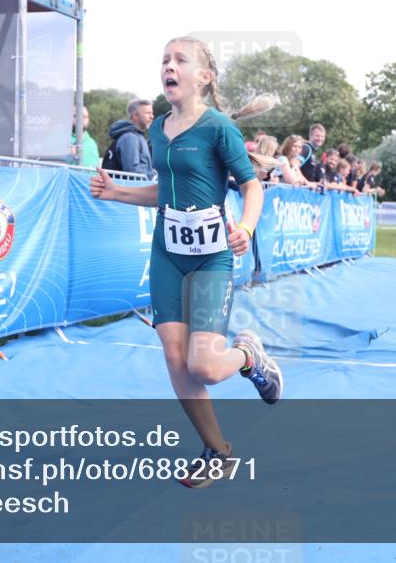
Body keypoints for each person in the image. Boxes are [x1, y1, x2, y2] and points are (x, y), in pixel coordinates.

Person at [89, 36, 283, 488]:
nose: (168, 67)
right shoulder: (157, 130)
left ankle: (248, 354)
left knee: (206, 368)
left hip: (212, 257)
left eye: (180, 60)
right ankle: (218, 451)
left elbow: (251, 187)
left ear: (204, 77)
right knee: (176, 360)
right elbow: (167, 191)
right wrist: (118, 192)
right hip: (167, 255)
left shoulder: (218, 128)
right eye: (164, 60)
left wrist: (246, 230)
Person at [106, 98, 156, 179]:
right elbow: (132, 171)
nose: (152, 116)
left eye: (152, 113)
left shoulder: (136, 136)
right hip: (132, 189)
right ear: (136, 116)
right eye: (148, 113)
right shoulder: (130, 138)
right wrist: (155, 174)